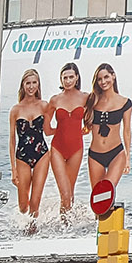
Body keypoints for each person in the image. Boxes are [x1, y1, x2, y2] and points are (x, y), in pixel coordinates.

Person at [45, 62, 90, 215]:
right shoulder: (55, 100)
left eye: (71, 77)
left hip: (76, 149)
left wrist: (85, 128)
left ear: (77, 78)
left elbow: (91, 121)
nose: (68, 80)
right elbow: (46, 129)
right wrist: (61, 130)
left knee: (70, 193)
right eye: (65, 77)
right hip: (57, 148)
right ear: (61, 79)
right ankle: (65, 229)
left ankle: (67, 228)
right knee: (64, 193)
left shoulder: (86, 98)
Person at [9, 69, 50, 228]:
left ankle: (32, 233)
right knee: (23, 205)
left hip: (42, 154)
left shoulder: (44, 105)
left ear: (38, 84)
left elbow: (49, 129)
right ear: (23, 85)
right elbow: (12, 140)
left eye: (34, 83)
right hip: (22, 157)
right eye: (28, 83)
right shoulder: (15, 110)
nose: (31, 86)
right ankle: (24, 228)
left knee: (35, 202)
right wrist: (13, 169)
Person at [85, 62, 132, 188]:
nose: (103, 81)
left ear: (113, 76)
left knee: (107, 191)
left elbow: (127, 131)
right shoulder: (92, 100)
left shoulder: (125, 102)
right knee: (97, 197)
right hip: (95, 155)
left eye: (106, 77)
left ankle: (113, 207)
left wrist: (128, 158)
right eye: (100, 79)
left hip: (116, 154)